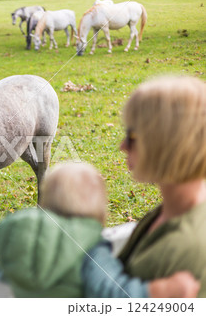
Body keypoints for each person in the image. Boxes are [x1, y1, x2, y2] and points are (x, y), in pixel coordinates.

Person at [0, 162, 199, 298]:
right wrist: (159, 291)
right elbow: (113, 292)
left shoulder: (12, 235)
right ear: (98, 209)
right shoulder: (90, 248)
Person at [83, 75, 206, 297]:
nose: (122, 146)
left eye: (131, 136)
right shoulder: (175, 209)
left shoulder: (187, 249)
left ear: (166, 142)